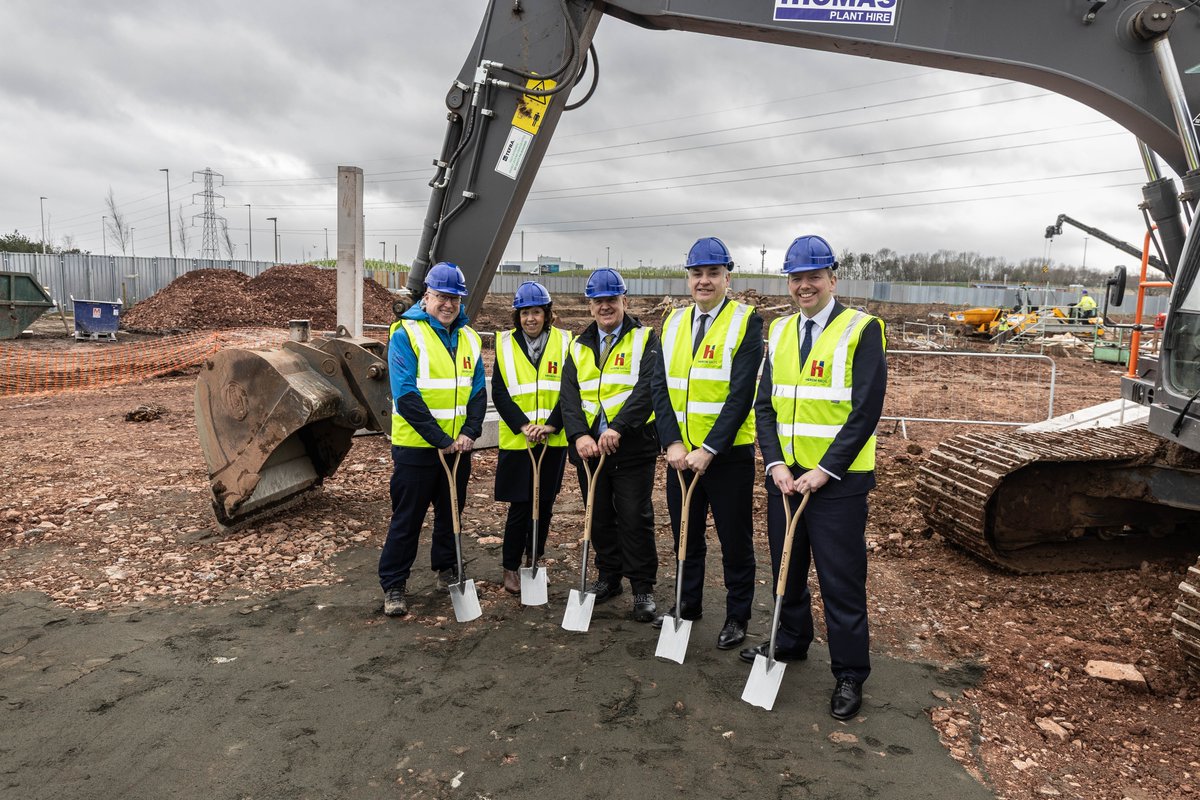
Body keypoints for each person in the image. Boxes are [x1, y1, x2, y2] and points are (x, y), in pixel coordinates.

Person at [745, 235, 887, 721]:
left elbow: (865, 410)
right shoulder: (780, 331)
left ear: (832, 279)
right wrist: (776, 464)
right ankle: (789, 641)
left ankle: (850, 673)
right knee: (787, 567)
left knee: (841, 580)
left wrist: (826, 470)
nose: (804, 286)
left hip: (838, 484)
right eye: (796, 278)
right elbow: (765, 405)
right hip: (785, 479)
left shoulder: (862, 329)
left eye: (814, 276)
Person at [650, 236, 761, 651]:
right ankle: (686, 604)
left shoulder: (746, 320)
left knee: (735, 540)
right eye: (697, 273)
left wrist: (710, 449)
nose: (704, 281)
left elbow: (740, 394)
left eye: (713, 273)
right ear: (688, 277)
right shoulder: (674, 322)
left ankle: (737, 616)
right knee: (685, 536)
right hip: (681, 457)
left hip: (727, 457)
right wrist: (673, 443)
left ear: (727, 277)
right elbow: (660, 387)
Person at [379, 262, 486, 617]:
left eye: (454, 298)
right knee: (407, 518)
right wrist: (440, 438)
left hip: (457, 447)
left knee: (452, 513)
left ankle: (447, 568)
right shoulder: (405, 334)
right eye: (441, 296)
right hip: (417, 447)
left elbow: (477, 392)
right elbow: (406, 395)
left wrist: (470, 432)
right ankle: (394, 584)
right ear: (427, 296)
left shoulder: (470, 337)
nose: (448, 304)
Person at [559, 268, 661, 622]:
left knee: (634, 517)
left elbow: (648, 389)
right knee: (598, 516)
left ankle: (643, 587)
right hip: (590, 451)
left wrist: (619, 426)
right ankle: (608, 577)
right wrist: (580, 435)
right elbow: (568, 398)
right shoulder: (578, 344)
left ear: (624, 301)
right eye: (598, 301)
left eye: (611, 300)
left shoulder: (646, 339)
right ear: (590, 305)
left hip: (631, 447)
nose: (605, 307)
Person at [491, 281, 572, 593]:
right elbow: (499, 392)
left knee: (545, 504)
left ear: (547, 314)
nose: (530, 319)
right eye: (525, 313)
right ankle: (510, 566)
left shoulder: (565, 343)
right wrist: (523, 425)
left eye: (536, 312)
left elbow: (570, 391)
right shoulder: (505, 344)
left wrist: (552, 425)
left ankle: (534, 560)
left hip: (553, 440)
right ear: (518, 315)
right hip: (519, 441)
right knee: (521, 506)